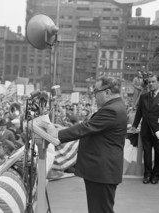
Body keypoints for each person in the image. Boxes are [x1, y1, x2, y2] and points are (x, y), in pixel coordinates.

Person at [47, 76, 127, 213]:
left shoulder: (112, 110)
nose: (94, 95)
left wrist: (57, 134)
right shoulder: (115, 107)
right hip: (103, 170)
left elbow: (86, 128)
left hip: (102, 171)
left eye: (96, 91)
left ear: (107, 92)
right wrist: (61, 130)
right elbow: (90, 127)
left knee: (100, 210)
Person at [131, 74, 159, 184]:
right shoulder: (143, 96)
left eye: (153, 81)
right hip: (146, 129)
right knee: (147, 154)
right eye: (149, 82)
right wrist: (134, 125)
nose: (150, 84)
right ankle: (147, 174)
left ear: (158, 83)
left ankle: (156, 175)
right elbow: (139, 112)